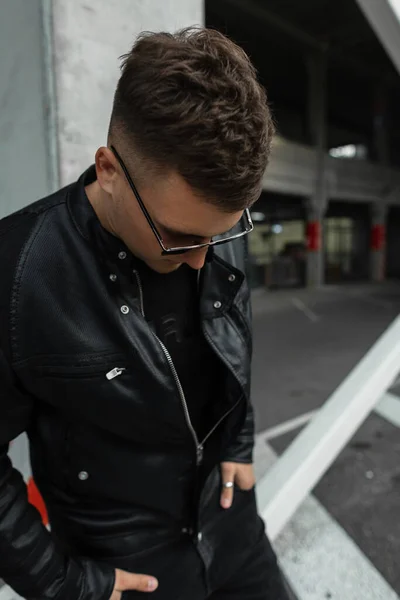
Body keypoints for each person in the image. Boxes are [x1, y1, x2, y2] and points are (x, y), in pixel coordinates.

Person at [0, 27, 292, 600]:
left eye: (227, 229)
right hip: (125, 563)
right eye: (181, 237)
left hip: (231, 521)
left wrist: (239, 442)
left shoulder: (213, 224)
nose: (206, 257)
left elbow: (234, 340)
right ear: (108, 168)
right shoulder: (18, 274)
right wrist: (66, 584)